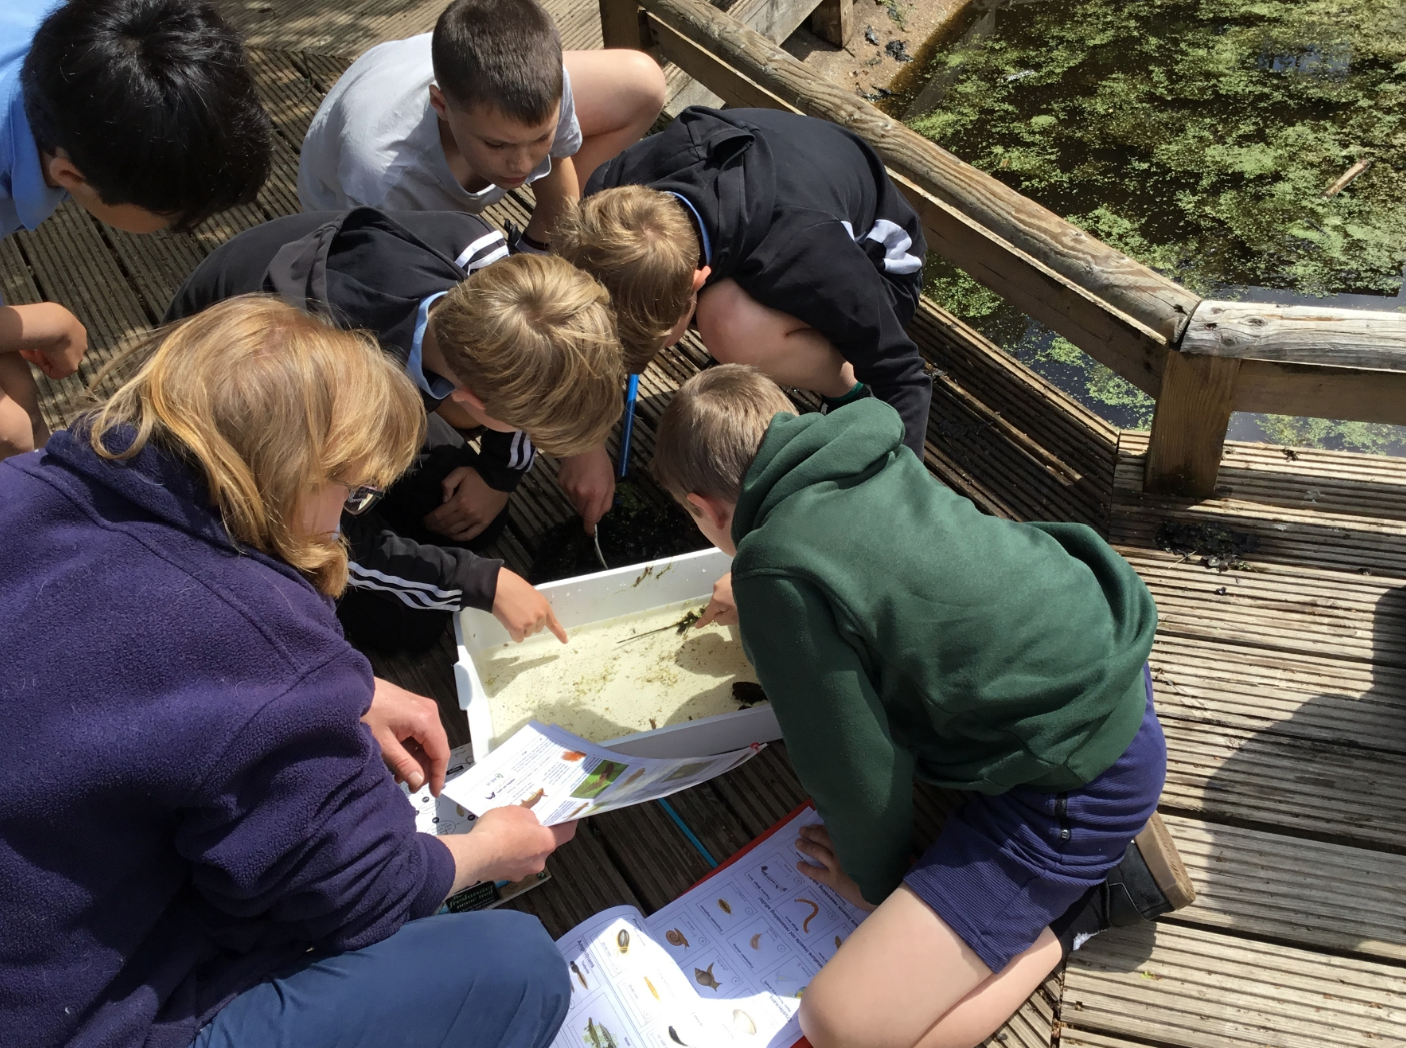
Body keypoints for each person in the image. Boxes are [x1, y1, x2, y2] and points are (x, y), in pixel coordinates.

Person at [0, 296, 575, 1048]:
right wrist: (491, 851)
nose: (344, 520)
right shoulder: (256, 636)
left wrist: (339, 691)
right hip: (67, 1025)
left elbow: (130, 673)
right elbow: (355, 890)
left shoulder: (25, 482)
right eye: (350, 492)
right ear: (283, 474)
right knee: (517, 965)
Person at [650, 366, 1195, 1048]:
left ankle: (1089, 906)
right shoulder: (865, 450)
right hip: (1100, 675)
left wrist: (874, 881)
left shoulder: (774, 571)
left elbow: (851, 766)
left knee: (841, 1024)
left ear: (704, 509)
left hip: (1073, 791)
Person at [168, 209, 621, 651]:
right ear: (470, 403)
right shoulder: (343, 398)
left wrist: (499, 474)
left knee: (472, 517)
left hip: (336, 385)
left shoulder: (486, 273)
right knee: (407, 626)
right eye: (529, 432)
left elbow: (524, 362)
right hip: (230, 433)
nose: (531, 441)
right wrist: (479, 583)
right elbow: (317, 534)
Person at [556, 106, 933, 459]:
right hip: (764, 196)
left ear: (696, 283)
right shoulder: (605, 198)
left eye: (662, 343)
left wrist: (897, 489)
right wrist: (584, 449)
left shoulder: (803, 248)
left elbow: (902, 374)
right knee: (726, 320)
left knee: (731, 323)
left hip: (882, 266)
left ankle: (847, 392)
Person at [0, 0, 271, 461]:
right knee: (11, 430)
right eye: (175, 214)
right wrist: (47, 322)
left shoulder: (96, 31)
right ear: (70, 176)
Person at [298, 0, 665, 253]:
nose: (522, 166)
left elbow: (560, 186)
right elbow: (382, 278)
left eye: (541, 137)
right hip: (347, 211)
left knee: (643, 84)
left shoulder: (553, 87)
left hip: (462, 80)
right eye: (497, 145)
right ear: (441, 105)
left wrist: (538, 250)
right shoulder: (382, 178)